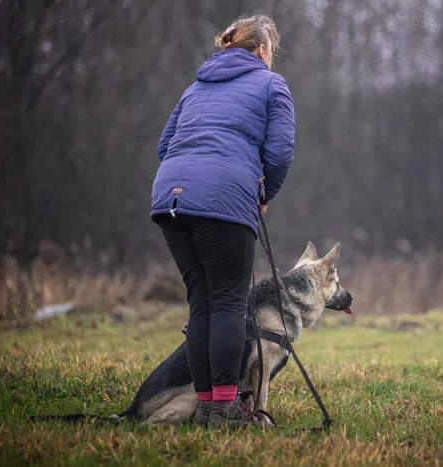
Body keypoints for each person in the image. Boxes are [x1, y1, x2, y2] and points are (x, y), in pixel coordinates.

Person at [150, 15, 295, 428]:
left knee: (202, 304)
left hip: (169, 200)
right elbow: (281, 151)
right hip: (223, 200)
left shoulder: (195, 87)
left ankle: (208, 404)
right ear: (263, 50)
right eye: (273, 51)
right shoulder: (272, 84)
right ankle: (224, 410)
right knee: (230, 301)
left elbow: (165, 145)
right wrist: (262, 193)